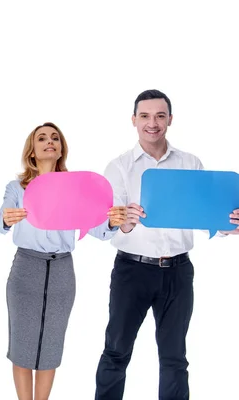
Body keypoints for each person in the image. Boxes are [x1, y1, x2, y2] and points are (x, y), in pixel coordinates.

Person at [94, 89, 239, 400]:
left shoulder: (190, 162)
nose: (152, 123)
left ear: (170, 120)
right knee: (117, 351)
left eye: (160, 116)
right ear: (133, 120)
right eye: (145, 116)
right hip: (132, 270)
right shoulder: (118, 166)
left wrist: (230, 223)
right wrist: (125, 220)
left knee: (174, 358)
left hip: (177, 271)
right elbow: (104, 222)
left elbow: (205, 213)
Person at [0, 122, 120, 400]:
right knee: (22, 344)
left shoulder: (75, 187)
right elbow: (3, 219)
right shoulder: (17, 187)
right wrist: (6, 216)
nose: (49, 141)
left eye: (55, 138)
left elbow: (98, 229)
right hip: (26, 267)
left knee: (51, 344)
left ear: (61, 148)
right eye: (42, 138)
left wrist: (111, 221)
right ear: (32, 151)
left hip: (62, 269)